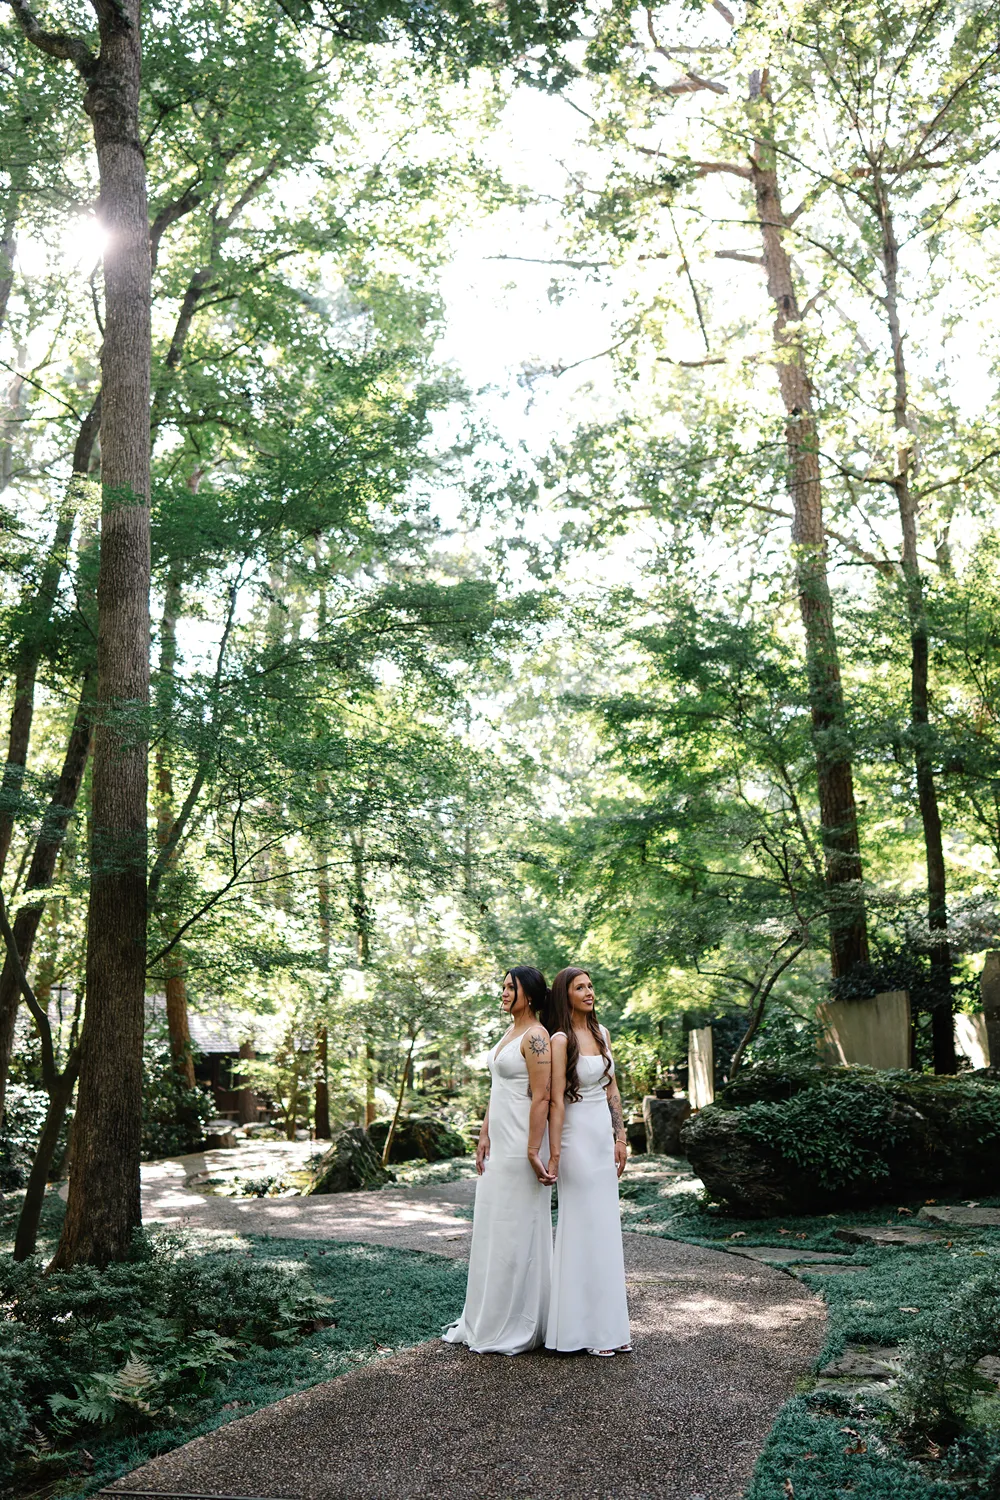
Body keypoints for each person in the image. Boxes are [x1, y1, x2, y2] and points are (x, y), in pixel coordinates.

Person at [442, 966, 555, 1354]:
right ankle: (488, 1316)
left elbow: (542, 1097)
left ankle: (520, 1321)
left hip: (523, 1142)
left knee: (517, 1226)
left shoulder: (537, 1035)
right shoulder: (508, 1033)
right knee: (494, 1224)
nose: (504, 993)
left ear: (531, 994)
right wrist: (484, 1132)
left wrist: (531, 1149)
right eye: (504, 987)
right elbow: (498, 1089)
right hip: (499, 1139)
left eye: (512, 988)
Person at [544, 965, 631, 1357]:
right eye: (581, 987)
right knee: (583, 1225)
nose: (589, 992)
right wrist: (556, 1151)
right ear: (566, 994)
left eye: (591, 986)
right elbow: (556, 1099)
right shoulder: (560, 1039)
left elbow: (613, 1089)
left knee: (606, 1227)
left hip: (601, 1134)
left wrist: (621, 1136)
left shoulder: (602, 1033)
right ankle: (580, 1331)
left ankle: (609, 1328)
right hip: (575, 1134)